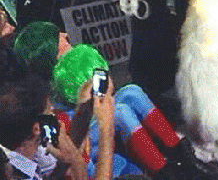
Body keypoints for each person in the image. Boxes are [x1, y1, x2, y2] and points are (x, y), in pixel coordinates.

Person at [52, 44, 209, 179]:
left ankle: (182, 154)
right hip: (92, 151)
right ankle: (165, 172)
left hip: (91, 116)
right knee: (120, 112)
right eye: (60, 38)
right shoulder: (60, 116)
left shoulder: (67, 66)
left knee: (131, 92)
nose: (66, 36)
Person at [0, 73, 88, 180]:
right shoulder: (10, 174)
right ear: (36, 129)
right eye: (48, 109)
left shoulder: (24, 144)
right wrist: (76, 160)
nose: (52, 110)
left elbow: (56, 168)